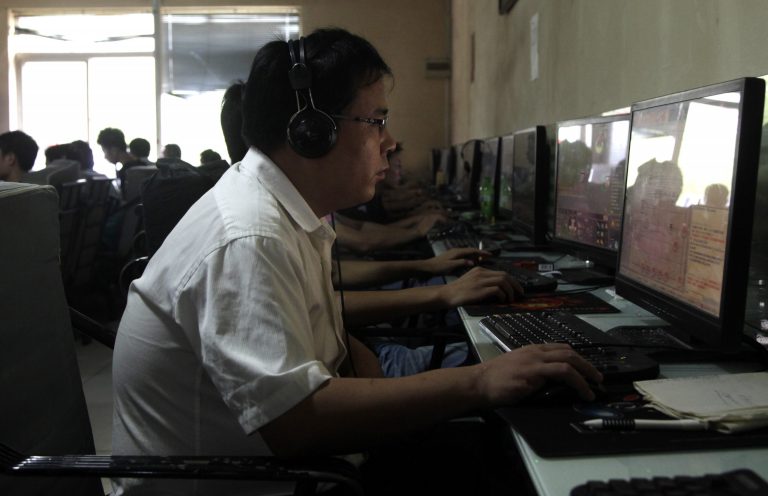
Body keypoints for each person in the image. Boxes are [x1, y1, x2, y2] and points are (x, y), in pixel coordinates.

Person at [112, 29, 601, 495]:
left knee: (498, 444)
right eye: (377, 121)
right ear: (311, 132)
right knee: (510, 460)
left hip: (298, 469)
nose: (389, 142)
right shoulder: (249, 236)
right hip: (257, 484)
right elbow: (296, 423)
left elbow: (333, 344)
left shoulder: (280, 211)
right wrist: (480, 380)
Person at [97, 127, 143, 197]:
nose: (105, 157)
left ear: (114, 149)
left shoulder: (126, 172)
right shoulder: (142, 165)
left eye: (104, 151)